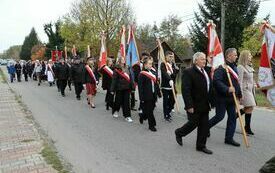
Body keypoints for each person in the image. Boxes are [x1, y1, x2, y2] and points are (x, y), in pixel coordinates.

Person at [174, 52, 213, 154]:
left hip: (205, 104)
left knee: (204, 125)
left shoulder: (206, 71)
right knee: (193, 123)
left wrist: (212, 101)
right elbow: (185, 90)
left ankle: (201, 146)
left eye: (205, 59)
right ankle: (179, 132)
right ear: (196, 61)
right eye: (202, 59)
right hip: (194, 104)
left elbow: (209, 87)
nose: (204, 61)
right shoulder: (189, 72)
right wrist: (189, 105)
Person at [208, 48, 242, 147]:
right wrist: (227, 89)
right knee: (219, 117)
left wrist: (239, 94)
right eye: (235, 55)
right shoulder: (221, 67)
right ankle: (205, 128)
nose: (236, 56)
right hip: (222, 98)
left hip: (232, 98)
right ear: (228, 56)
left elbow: (236, 83)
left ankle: (229, 138)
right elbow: (216, 81)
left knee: (232, 117)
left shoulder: (234, 67)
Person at [138, 57, 161, 132]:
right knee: (150, 111)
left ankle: (142, 116)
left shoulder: (153, 72)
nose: (151, 65)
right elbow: (140, 88)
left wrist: (159, 93)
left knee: (151, 108)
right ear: (145, 64)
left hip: (153, 94)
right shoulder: (142, 74)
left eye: (151, 63)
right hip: (146, 96)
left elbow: (156, 84)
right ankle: (152, 125)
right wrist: (141, 98)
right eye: (149, 64)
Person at [237, 50, 257, 135]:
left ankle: (234, 118)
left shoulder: (249, 66)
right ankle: (247, 128)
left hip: (251, 90)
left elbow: (251, 79)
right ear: (245, 57)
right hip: (245, 90)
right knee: (250, 106)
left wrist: (255, 84)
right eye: (249, 55)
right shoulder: (240, 67)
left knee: (249, 108)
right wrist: (240, 93)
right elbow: (239, 81)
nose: (251, 57)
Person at [110, 57, 134, 123]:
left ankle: (127, 116)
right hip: (119, 88)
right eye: (122, 59)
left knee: (126, 102)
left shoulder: (128, 68)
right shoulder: (116, 70)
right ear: (120, 61)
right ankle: (115, 111)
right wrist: (112, 89)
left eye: (124, 59)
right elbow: (114, 80)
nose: (124, 60)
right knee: (118, 101)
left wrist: (132, 87)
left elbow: (131, 78)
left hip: (127, 88)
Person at [160, 51, 176, 121]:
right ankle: (166, 114)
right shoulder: (163, 64)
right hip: (165, 85)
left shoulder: (172, 64)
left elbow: (175, 74)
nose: (171, 58)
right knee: (165, 101)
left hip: (172, 85)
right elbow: (164, 73)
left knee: (173, 99)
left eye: (172, 57)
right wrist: (169, 78)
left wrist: (172, 73)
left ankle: (169, 110)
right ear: (166, 56)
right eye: (170, 56)